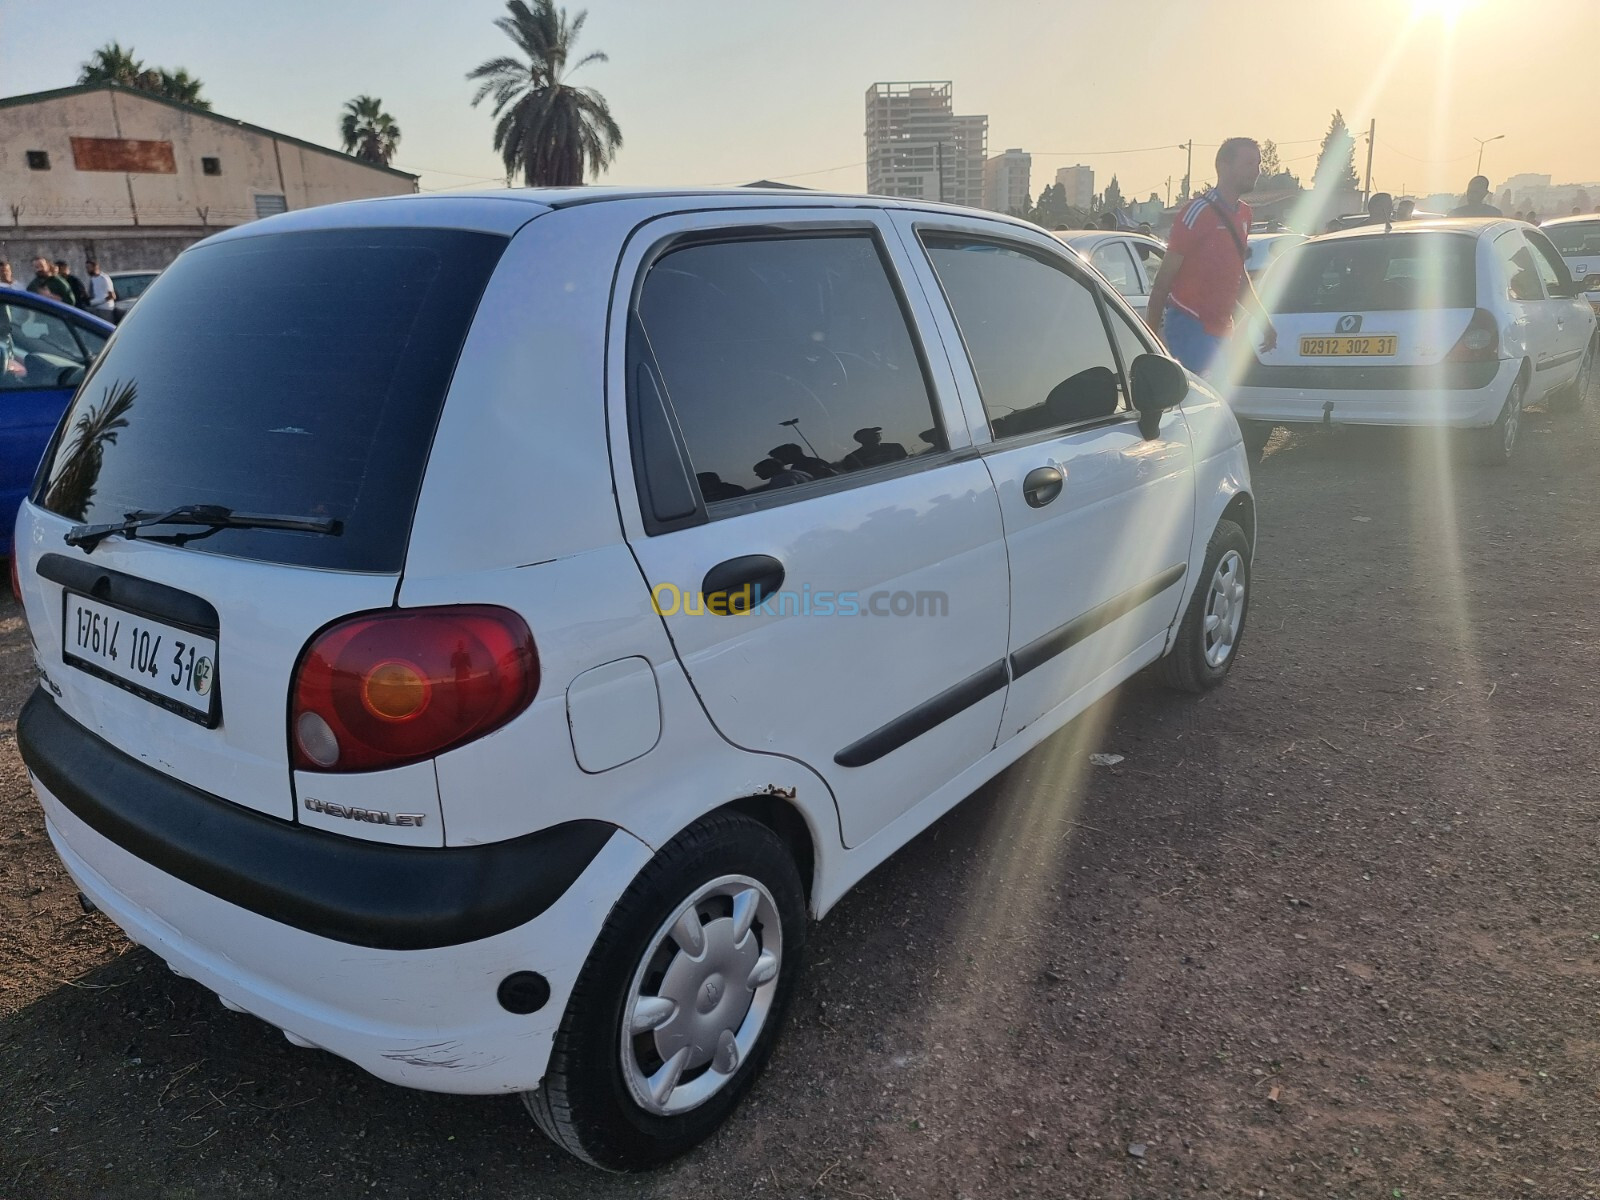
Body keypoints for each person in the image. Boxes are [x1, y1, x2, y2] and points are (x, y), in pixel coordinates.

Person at [1145, 137, 1277, 380]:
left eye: (1258, 164)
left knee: (1216, 403)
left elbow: (1239, 276)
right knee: (1203, 401)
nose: (1256, 171)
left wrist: (1263, 320)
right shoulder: (1197, 212)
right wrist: (1151, 341)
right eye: (1248, 164)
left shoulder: (1245, 214)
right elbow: (1162, 283)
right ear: (1223, 166)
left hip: (1223, 330)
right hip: (1189, 324)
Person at [840, 427, 907, 472]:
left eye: (877, 433)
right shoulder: (852, 458)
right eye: (872, 434)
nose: (877, 435)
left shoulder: (895, 447)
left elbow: (906, 466)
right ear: (862, 439)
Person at [768, 442, 837, 479]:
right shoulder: (814, 461)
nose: (777, 460)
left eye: (778, 456)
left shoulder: (803, 466)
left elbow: (828, 475)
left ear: (789, 454)